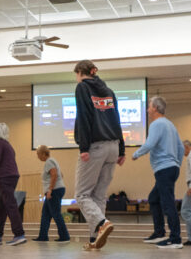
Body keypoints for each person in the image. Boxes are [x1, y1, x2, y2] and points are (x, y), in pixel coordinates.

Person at [72, 60, 126, 251]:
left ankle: (102, 223)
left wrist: (83, 147)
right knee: (99, 195)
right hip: (113, 146)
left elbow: (85, 116)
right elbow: (116, 118)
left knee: (82, 194)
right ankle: (95, 238)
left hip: (95, 146)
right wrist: (122, 149)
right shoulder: (109, 91)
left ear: (80, 73)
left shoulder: (82, 88)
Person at [132, 96, 185, 249]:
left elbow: (149, 143)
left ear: (155, 108)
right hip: (171, 168)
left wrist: (136, 154)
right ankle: (159, 233)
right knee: (154, 199)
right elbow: (181, 148)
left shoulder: (157, 124)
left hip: (164, 169)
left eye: (149, 106)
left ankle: (175, 239)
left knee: (168, 204)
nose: (147, 109)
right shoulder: (170, 124)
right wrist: (176, 164)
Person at [32, 145, 70, 243]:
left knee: (56, 214)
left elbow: (54, 175)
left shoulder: (49, 161)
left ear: (44, 153)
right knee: (46, 214)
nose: (38, 157)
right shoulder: (53, 161)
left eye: (38, 154)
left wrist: (50, 190)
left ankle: (64, 236)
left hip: (54, 191)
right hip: (57, 189)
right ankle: (43, 236)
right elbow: (61, 174)